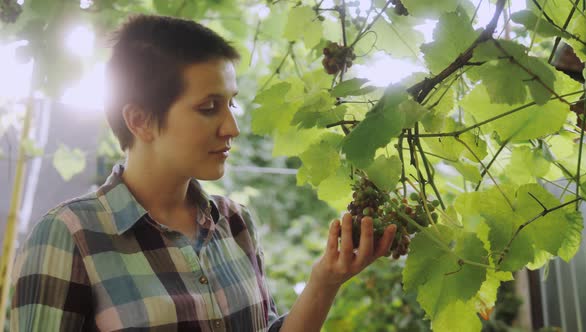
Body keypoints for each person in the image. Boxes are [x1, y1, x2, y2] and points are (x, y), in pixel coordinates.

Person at [10, 14, 397, 331]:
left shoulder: (236, 223)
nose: (232, 127)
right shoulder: (69, 235)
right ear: (140, 120)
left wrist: (325, 280)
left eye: (231, 104)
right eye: (209, 107)